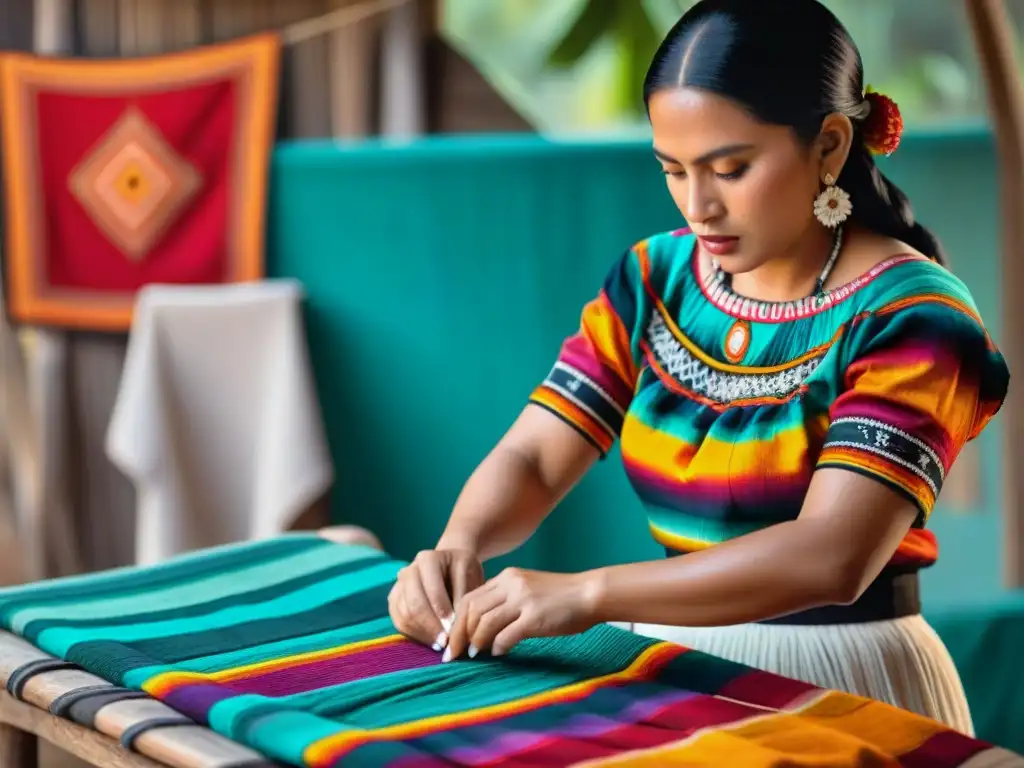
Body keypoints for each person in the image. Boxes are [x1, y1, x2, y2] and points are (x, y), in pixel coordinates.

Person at [387, 0, 1009, 734]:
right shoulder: (657, 279)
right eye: (673, 170)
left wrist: (589, 595)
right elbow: (536, 453)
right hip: (676, 667)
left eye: (731, 168)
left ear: (831, 144)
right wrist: (458, 546)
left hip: (846, 681)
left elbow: (831, 558)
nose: (699, 205)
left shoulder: (915, 318)